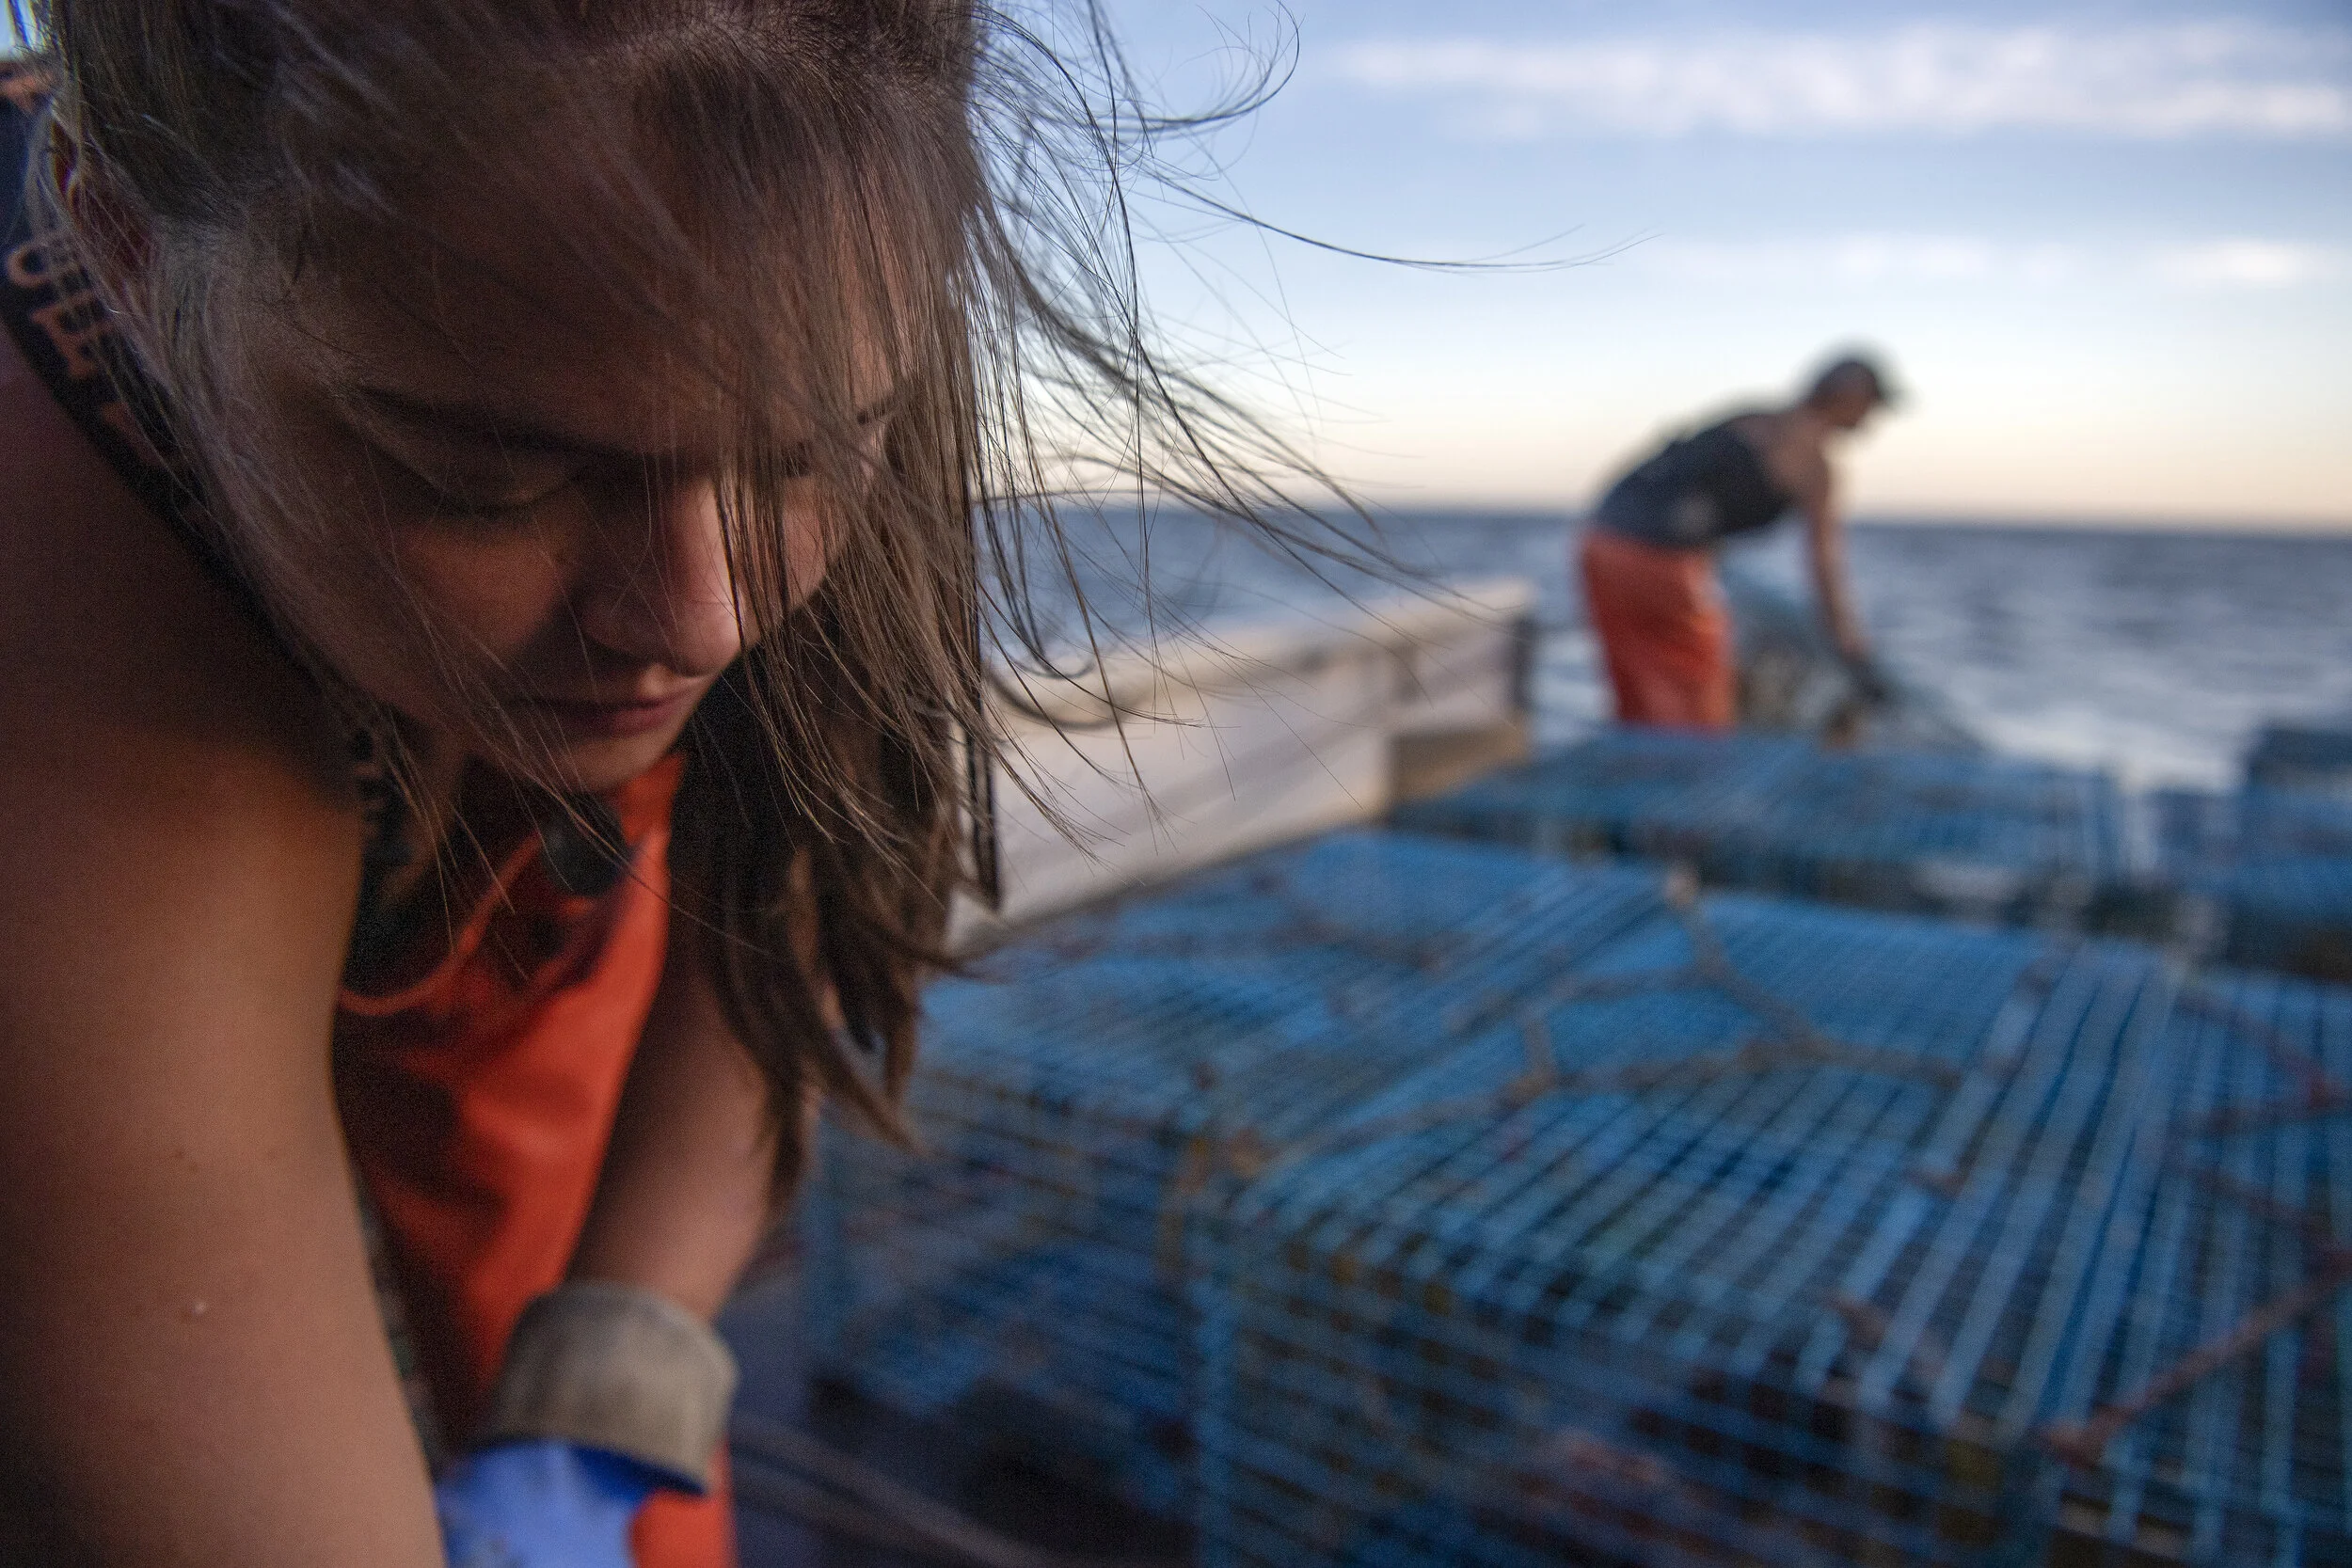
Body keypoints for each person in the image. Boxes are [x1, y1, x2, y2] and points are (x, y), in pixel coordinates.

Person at [0, 4, 1310, 1564]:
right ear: (121, 245)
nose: (705, 617)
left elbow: (806, 864)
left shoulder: (807, 251)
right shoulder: (67, 685)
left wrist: (609, 1381)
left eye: (818, 452)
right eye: (489, 475)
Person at [1578, 352, 1899, 730]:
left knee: (1637, 686)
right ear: (1848, 397)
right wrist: (1850, 646)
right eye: (1871, 405)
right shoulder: (1814, 464)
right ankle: (1688, 774)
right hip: (1661, 561)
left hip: (1598, 543)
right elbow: (1824, 566)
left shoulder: (1751, 418)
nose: (1870, 417)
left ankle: (1642, 764)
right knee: (1699, 697)